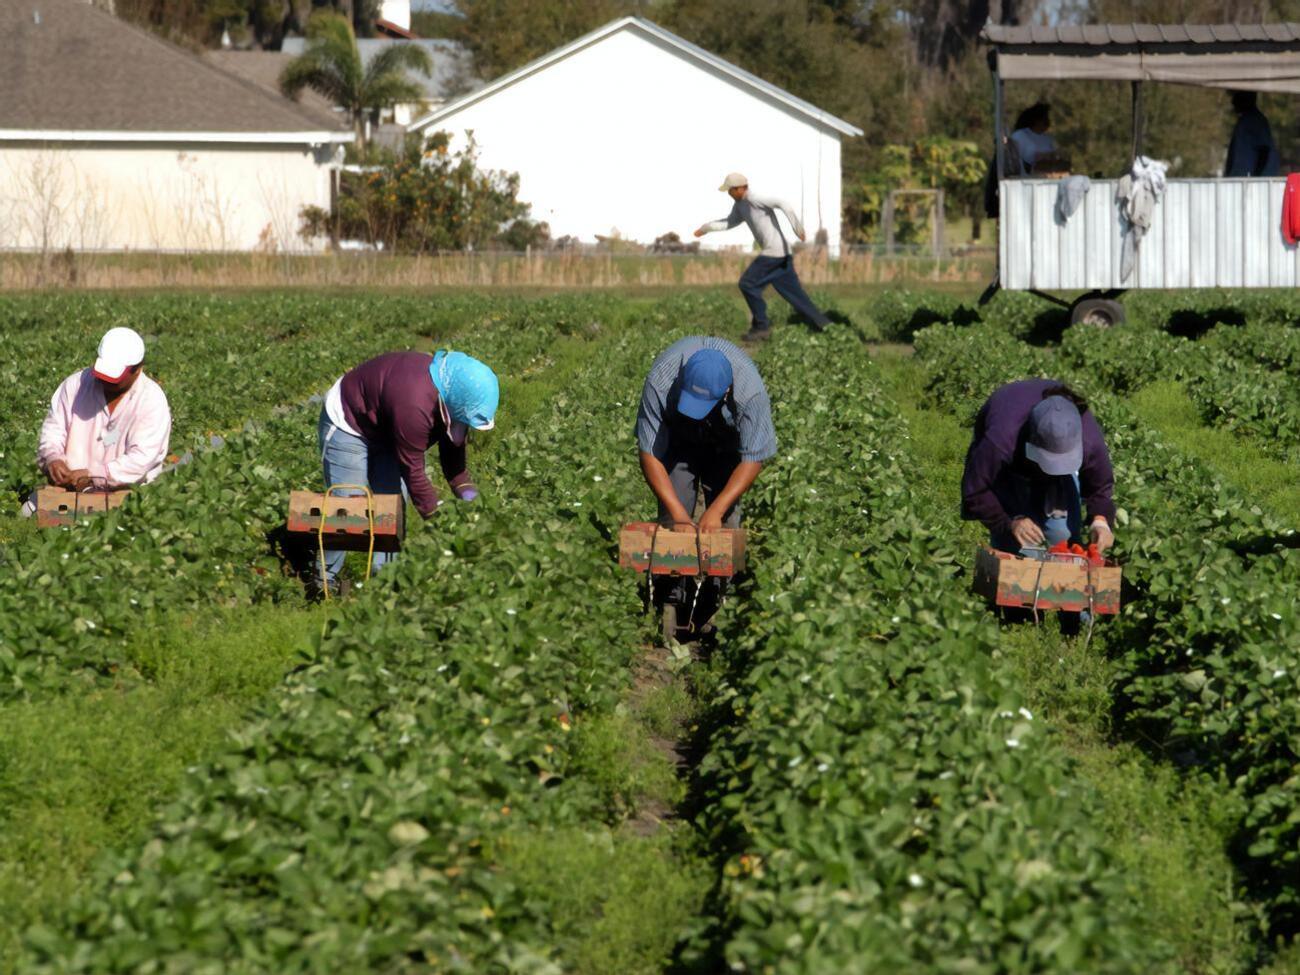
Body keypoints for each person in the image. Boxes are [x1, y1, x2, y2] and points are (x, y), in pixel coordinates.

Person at [316, 349, 497, 594]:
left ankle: (383, 583)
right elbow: (413, 472)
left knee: (391, 504)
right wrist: (443, 523)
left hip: (387, 427)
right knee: (348, 507)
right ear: (456, 401)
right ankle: (322, 583)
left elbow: (454, 464)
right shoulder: (415, 403)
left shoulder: (451, 399)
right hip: (349, 421)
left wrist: (471, 498)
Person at [636, 336, 776, 634]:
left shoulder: (750, 391)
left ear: (726, 391)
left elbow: (753, 457)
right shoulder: (662, 379)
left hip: (726, 446)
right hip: (678, 441)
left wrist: (716, 509)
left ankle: (715, 596)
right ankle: (671, 594)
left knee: (725, 524)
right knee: (674, 519)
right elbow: (649, 452)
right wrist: (678, 513)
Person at [961, 379, 1115, 557]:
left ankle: (1065, 580)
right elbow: (975, 490)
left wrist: (1100, 521)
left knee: (1063, 537)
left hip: (1058, 480)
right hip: (1011, 469)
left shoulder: (1089, 440)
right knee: (1015, 545)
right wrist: (1009, 522)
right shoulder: (1000, 440)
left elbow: (1100, 486)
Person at [31, 326, 171, 505]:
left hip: (128, 495)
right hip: (69, 489)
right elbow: (54, 429)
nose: (105, 380)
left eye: (114, 378)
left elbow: (141, 459)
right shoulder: (75, 385)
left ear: (137, 369)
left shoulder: (151, 400)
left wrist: (93, 475)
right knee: (33, 511)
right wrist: (52, 457)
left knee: (102, 522)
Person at [693, 173, 831, 342]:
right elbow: (729, 222)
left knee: (747, 284)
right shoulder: (740, 206)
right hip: (782, 254)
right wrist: (706, 228)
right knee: (795, 295)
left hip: (774, 253)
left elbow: (783, 204)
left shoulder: (755, 199)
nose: (729, 194)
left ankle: (761, 327)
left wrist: (798, 228)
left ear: (741, 188)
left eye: (730, 191)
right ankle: (825, 326)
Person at [1224, 90, 1279, 178]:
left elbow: (1264, 150)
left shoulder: (1256, 120)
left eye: (1237, 97)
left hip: (1253, 182)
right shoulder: (1243, 121)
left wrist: (1255, 178)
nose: (1233, 101)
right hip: (1239, 180)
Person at [1008, 103, 1057, 176]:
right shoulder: (1019, 136)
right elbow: (1013, 160)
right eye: (1045, 119)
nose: (1048, 122)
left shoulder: (1047, 139)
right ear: (1037, 120)